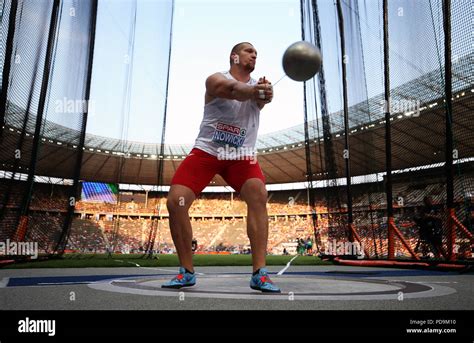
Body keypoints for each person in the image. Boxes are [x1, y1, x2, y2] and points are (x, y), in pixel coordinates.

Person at [162, 42, 280, 293]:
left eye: (257, 53)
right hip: (208, 151)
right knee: (176, 200)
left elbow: (259, 98)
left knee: (258, 193)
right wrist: (255, 91)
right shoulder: (215, 79)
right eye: (249, 51)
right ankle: (186, 272)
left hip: (241, 156)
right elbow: (231, 89)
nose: (254, 55)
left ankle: (260, 273)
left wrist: (265, 95)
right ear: (234, 56)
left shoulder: (258, 87)